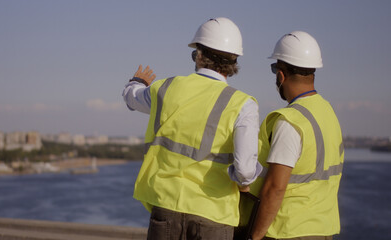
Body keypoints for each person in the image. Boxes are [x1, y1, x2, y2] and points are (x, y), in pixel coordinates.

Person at [122, 17, 262, 240]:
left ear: (199, 55)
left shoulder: (166, 88)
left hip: (165, 208)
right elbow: (245, 172)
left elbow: (131, 97)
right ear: (234, 60)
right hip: (214, 215)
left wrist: (136, 81)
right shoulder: (243, 105)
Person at [249, 31, 344, 240]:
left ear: (281, 75)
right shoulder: (328, 113)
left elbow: (275, 188)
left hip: (289, 231)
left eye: (275, 69)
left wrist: (254, 236)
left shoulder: (291, 121)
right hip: (323, 230)